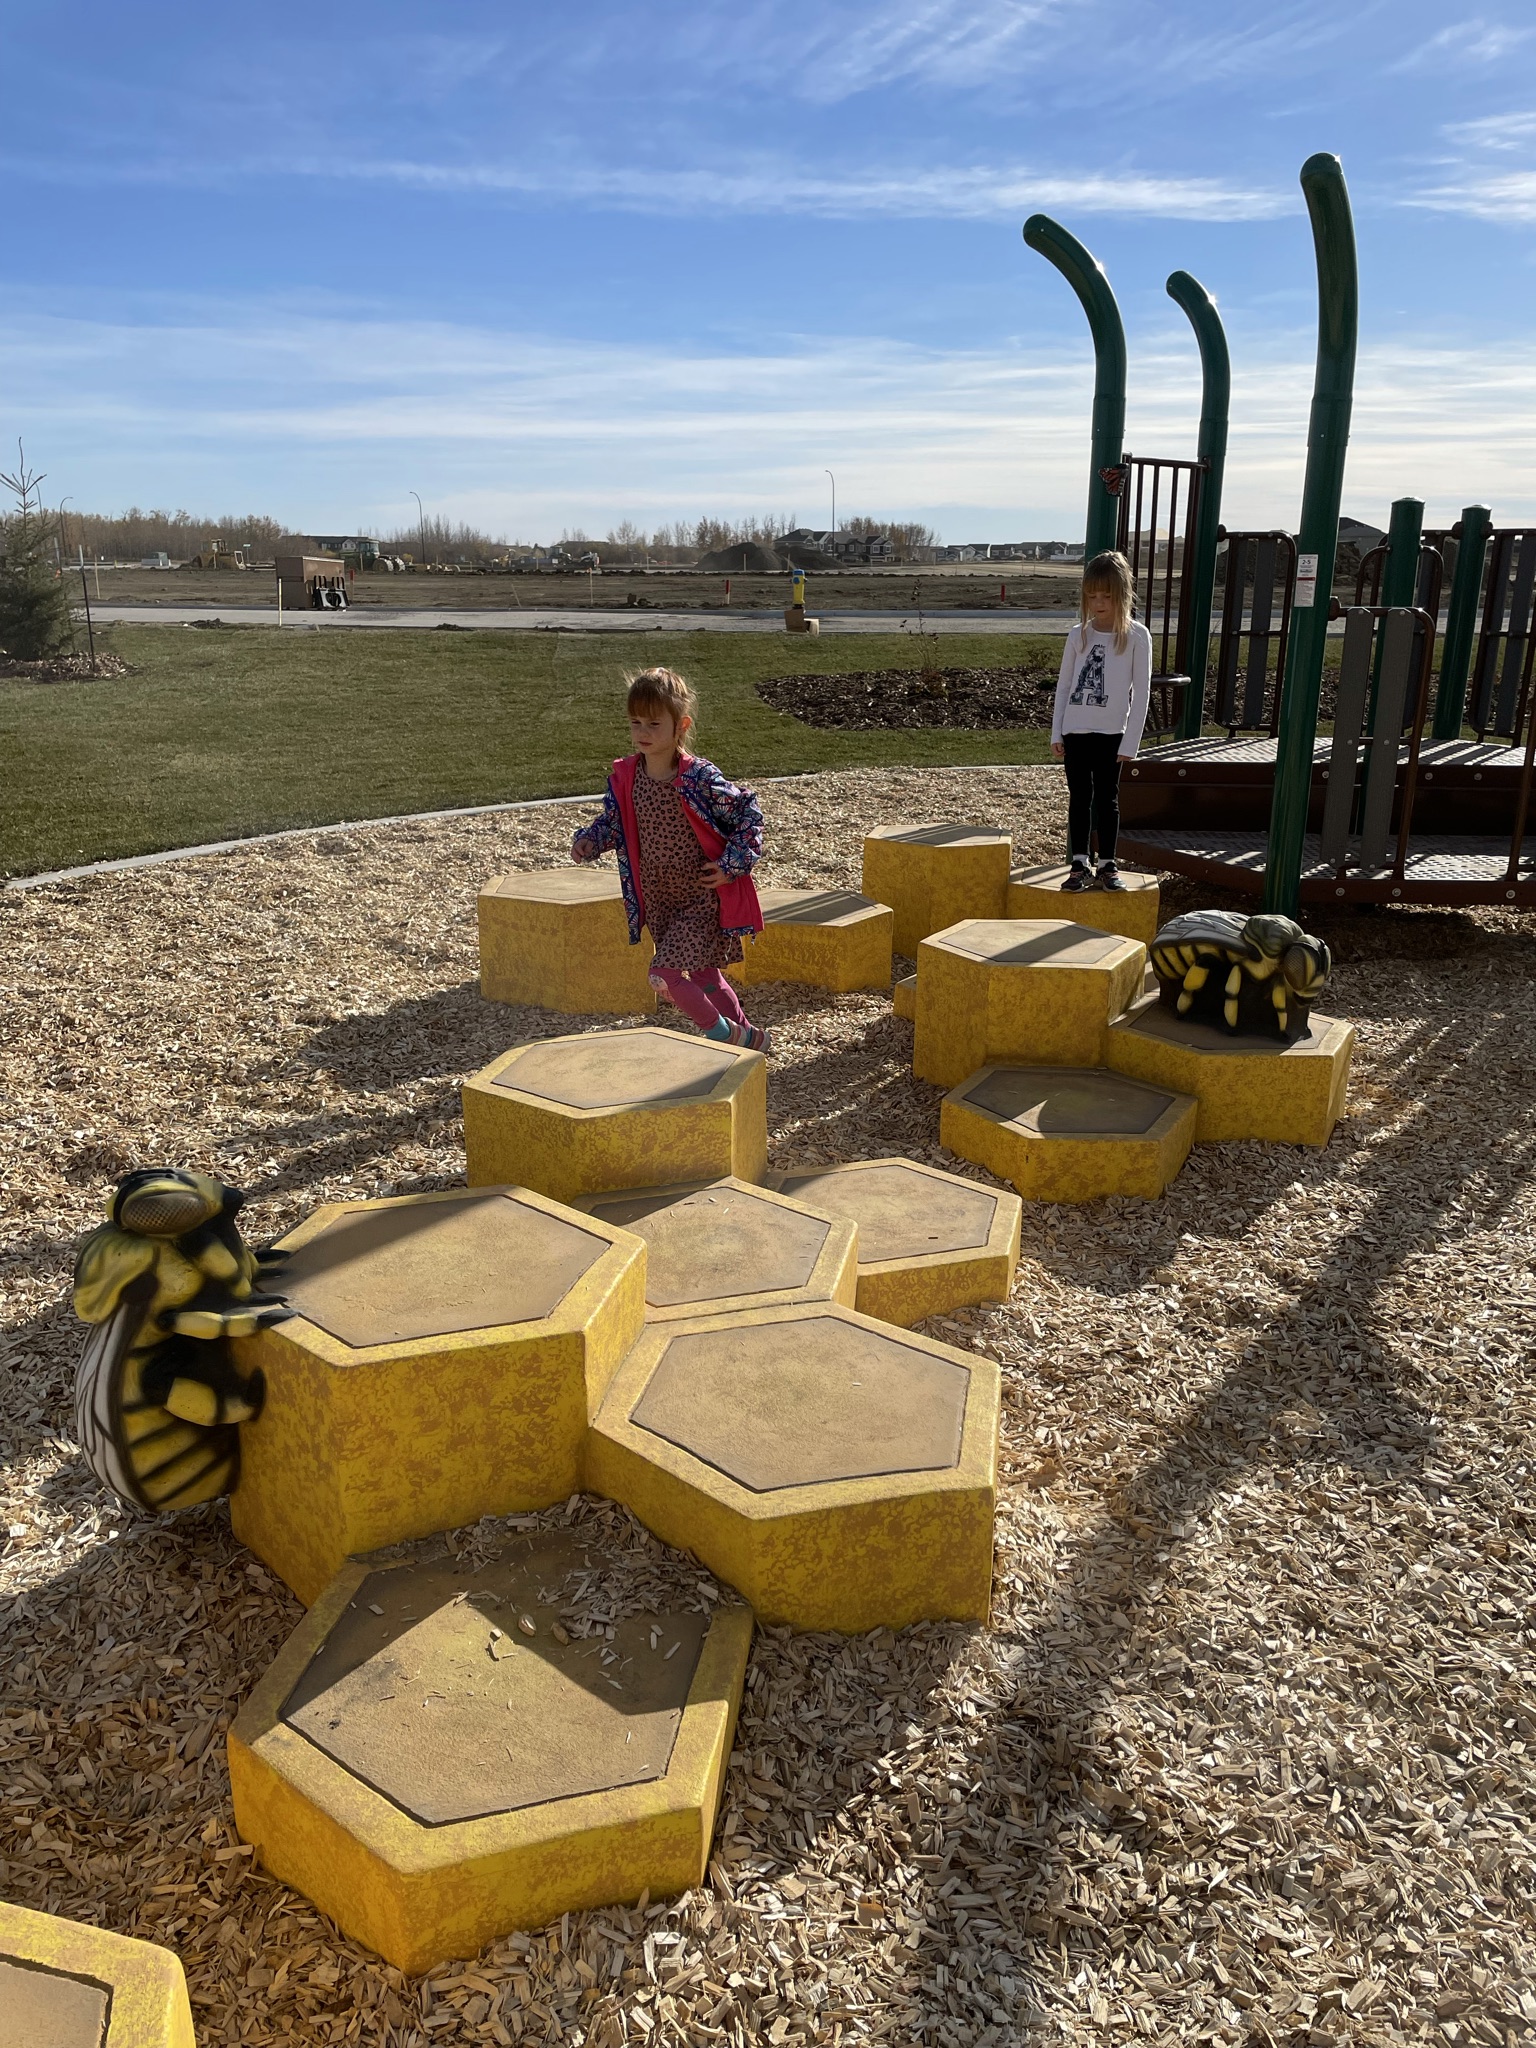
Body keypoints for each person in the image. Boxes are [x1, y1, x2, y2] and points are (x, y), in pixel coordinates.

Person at [571, 667, 773, 1051]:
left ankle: (728, 1035)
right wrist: (589, 842)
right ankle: (751, 1040)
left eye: (653, 723)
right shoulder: (628, 777)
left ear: (681, 725)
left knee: (663, 975)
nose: (643, 732)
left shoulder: (698, 778)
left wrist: (732, 865)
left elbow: (748, 812)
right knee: (704, 975)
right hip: (661, 899)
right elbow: (615, 823)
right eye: (635, 722)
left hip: (700, 897)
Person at [1050, 550, 1151, 892]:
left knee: (1107, 799)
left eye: (1106, 595)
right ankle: (1079, 862)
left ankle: (1107, 862)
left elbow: (1142, 694)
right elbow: (1064, 686)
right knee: (1079, 797)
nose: (1098, 602)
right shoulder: (1078, 634)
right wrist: (1057, 732)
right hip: (1076, 732)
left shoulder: (1137, 637)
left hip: (1112, 735)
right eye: (1092, 596)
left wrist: (1130, 742)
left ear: (1122, 594)